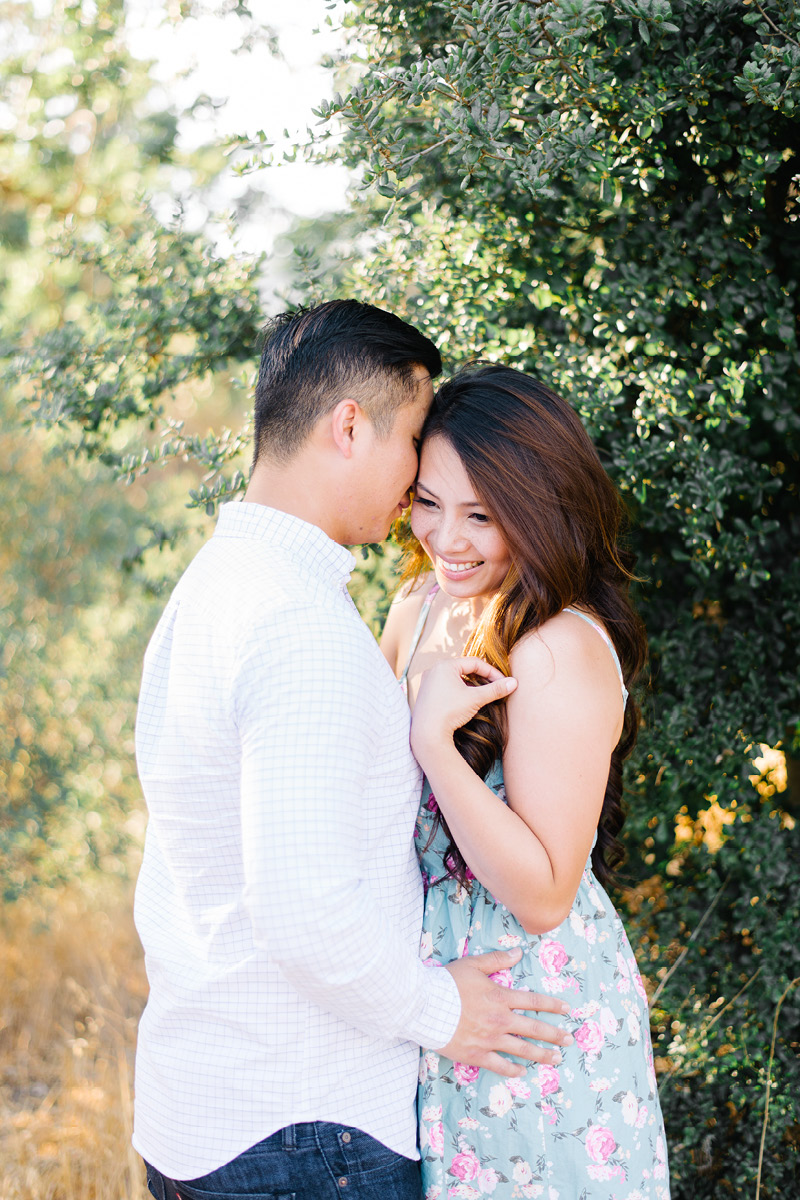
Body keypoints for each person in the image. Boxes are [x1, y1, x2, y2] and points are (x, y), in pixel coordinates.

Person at [133, 303, 573, 1200]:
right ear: (348, 426)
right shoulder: (297, 625)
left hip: (210, 1106)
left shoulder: (217, 583)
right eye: (413, 438)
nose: (417, 482)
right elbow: (302, 912)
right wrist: (444, 1012)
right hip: (302, 1125)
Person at [382, 364, 670, 1199]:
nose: (448, 538)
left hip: (532, 1015)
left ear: (540, 508)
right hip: (433, 1001)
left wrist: (434, 743)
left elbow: (544, 893)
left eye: (483, 514)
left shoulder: (557, 646)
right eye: (429, 502)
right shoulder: (417, 606)